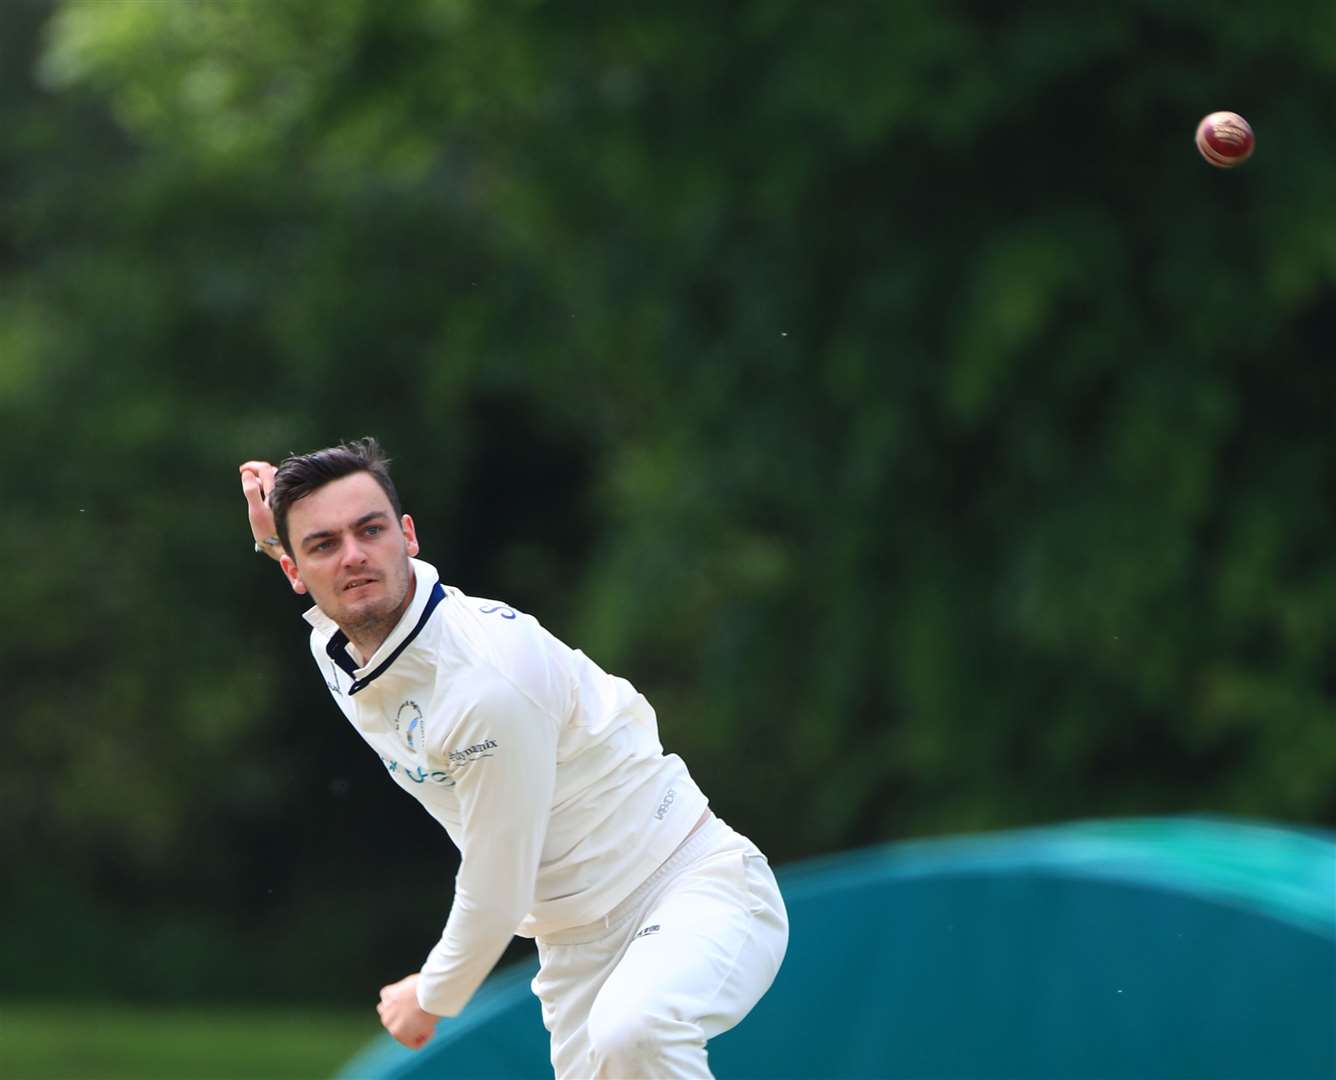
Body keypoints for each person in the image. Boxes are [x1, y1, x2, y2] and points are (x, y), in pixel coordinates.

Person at [239, 437, 788, 1079]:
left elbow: (498, 884)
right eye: (324, 544)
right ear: (295, 573)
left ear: (408, 536)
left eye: (370, 530)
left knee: (632, 1032)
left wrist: (434, 993)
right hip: (572, 945)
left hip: (692, 888)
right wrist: (271, 535)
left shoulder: (486, 683)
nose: (354, 557)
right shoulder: (338, 642)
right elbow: (329, 585)